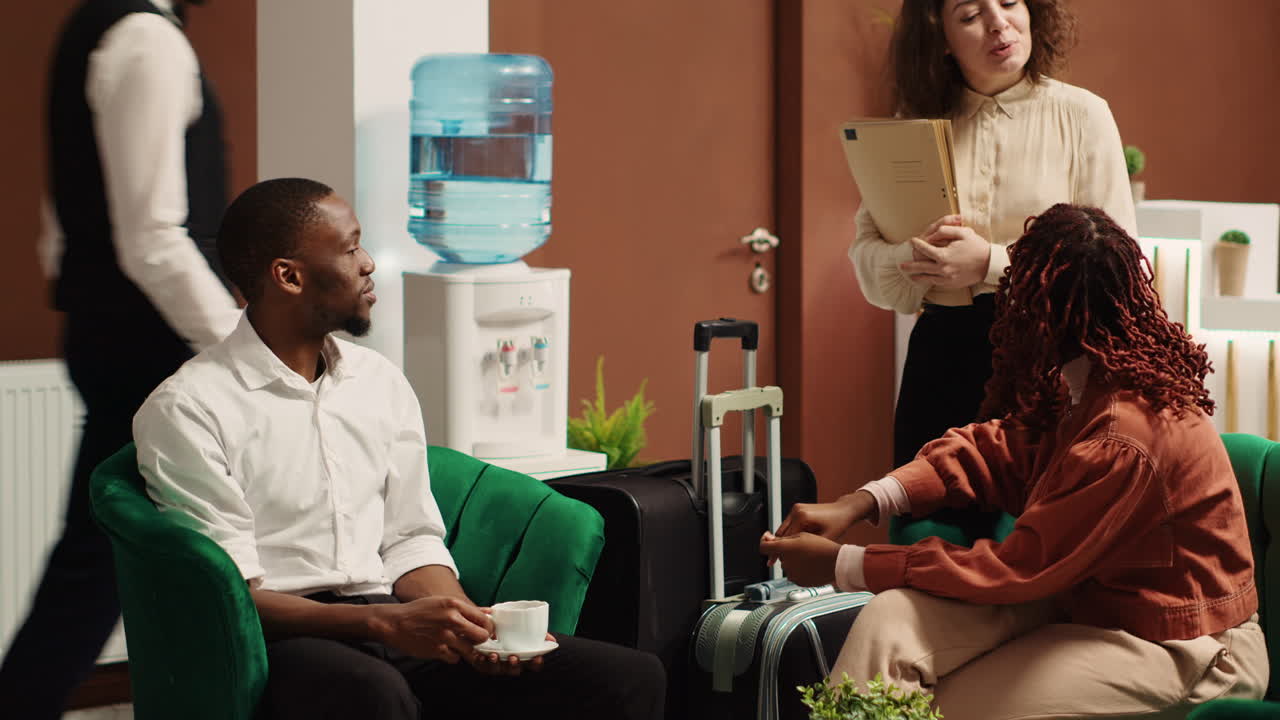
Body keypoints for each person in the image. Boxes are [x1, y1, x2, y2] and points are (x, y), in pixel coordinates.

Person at [132, 178, 666, 720]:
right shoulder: (189, 408)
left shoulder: (377, 381)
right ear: (288, 276)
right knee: (372, 694)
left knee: (626, 678)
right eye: (349, 248)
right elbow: (228, 594)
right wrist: (382, 624)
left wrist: (469, 626)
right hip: (280, 642)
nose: (368, 264)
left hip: (390, 620)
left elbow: (409, 539)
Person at [764, 204, 1268, 719]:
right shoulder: (1082, 383)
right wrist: (862, 501)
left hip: (1190, 651)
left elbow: (1019, 568)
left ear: (1039, 307)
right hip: (1090, 602)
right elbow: (996, 449)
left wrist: (841, 565)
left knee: (941, 706)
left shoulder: (1124, 437)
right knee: (890, 619)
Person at [0, 1, 240, 715]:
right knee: (103, 559)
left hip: (113, 334)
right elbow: (155, 236)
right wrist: (240, 348)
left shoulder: (93, 29)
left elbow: (60, 224)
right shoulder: (147, 39)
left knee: (132, 556)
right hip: (150, 347)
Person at [848, 0, 1137, 541]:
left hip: (1045, 365)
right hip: (938, 357)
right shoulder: (916, 124)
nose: (999, 23)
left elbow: (1116, 267)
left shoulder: (1082, 114)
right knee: (925, 548)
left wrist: (988, 262)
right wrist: (915, 261)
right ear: (941, 36)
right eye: (969, 14)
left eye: (1009, 2)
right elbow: (867, 261)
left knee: (1024, 556)